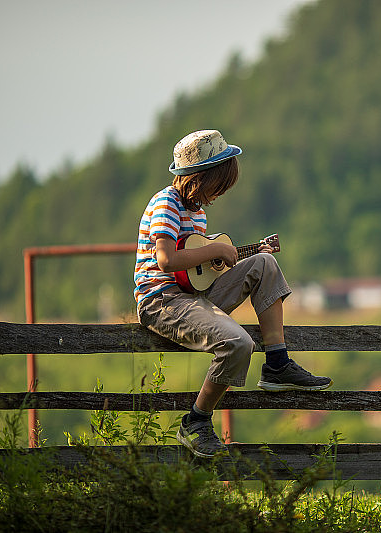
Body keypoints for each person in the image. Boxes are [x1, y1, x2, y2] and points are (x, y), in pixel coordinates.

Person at [134, 129, 332, 458]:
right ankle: (196, 421)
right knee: (239, 343)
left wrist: (226, 257)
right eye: (218, 185)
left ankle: (277, 363)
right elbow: (167, 260)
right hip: (162, 301)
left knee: (264, 263)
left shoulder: (197, 212)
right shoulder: (166, 202)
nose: (219, 194)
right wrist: (215, 249)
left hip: (191, 295)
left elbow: (196, 271)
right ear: (200, 178)